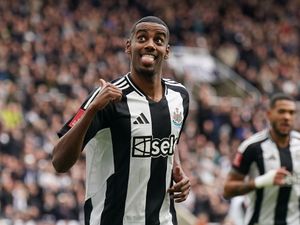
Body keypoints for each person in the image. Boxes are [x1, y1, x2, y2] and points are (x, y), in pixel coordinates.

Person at [52, 16, 190, 225]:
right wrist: (92, 110)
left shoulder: (179, 96)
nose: (150, 45)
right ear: (129, 46)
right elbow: (59, 162)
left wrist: (177, 168)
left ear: (167, 51)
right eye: (142, 38)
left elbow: (172, 138)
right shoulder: (107, 97)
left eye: (159, 40)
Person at [223, 93, 300, 225]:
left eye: (291, 112)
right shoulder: (252, 147)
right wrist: (261, 181)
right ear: (269, 114)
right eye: (281, 111)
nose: (287, 117)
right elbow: (227, 190)